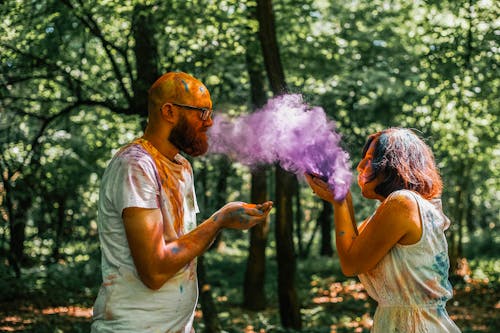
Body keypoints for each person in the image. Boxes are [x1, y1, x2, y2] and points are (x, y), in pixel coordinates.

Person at [91, 71, 273, 333]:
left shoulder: (182, 167)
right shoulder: (135, 166)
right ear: (169, 112)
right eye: (202, 113)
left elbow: (183, 242)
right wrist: (219, 221)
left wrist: (225, 222)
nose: (209, 123)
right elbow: (154, 271)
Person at [305, 128, 461, 332]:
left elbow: (351, 265)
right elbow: (353, 247)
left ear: (394, 164)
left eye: (370, 159)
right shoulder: (405, 206)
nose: (360, 166)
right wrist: (340, 197)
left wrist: (341, 202)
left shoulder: (402, 202)